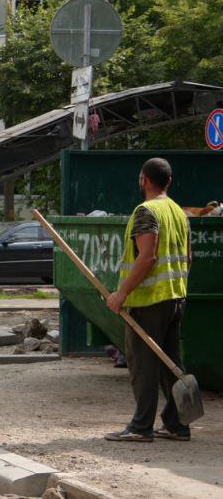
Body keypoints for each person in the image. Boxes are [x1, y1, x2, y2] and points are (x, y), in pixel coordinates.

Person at [103, 157, 192, 442]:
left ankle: (141, 427)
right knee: (170, 364)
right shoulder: (178, 212)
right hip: (175, 296)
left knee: (143, 364)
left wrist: (122, 293)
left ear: (144, 179)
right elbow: (188, 258)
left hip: (148, 300)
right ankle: (178, 425)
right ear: (169, 181)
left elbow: (148, 256)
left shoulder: (146, 211)